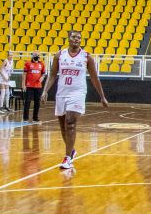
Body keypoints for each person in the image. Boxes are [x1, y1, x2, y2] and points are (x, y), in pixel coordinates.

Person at [40, 31, 109, 170]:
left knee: (70, 122)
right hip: (61, 93)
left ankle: (67, 158)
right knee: (63, 127)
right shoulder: (59, 55)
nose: (76, 39)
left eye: (79, 38)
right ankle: (71, 151)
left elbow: (94, 77)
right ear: (69, 38)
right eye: (74, 37)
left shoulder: (86, 57)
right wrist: (45, 91)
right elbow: (52, 74)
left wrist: (102, 96)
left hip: (77, 93)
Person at [23, 53, 46, 122]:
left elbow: (43, 74)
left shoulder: (42, 64)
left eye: (38, 58)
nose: (37, 59)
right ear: (33, 57)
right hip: (29, 85)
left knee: (37, 102)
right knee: (27, 101)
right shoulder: (28, 63)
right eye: (35, 58)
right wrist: (23, 84)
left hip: (38, 86)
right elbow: (24, 74)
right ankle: (25, 118)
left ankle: (35, 118)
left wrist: (42, 77)